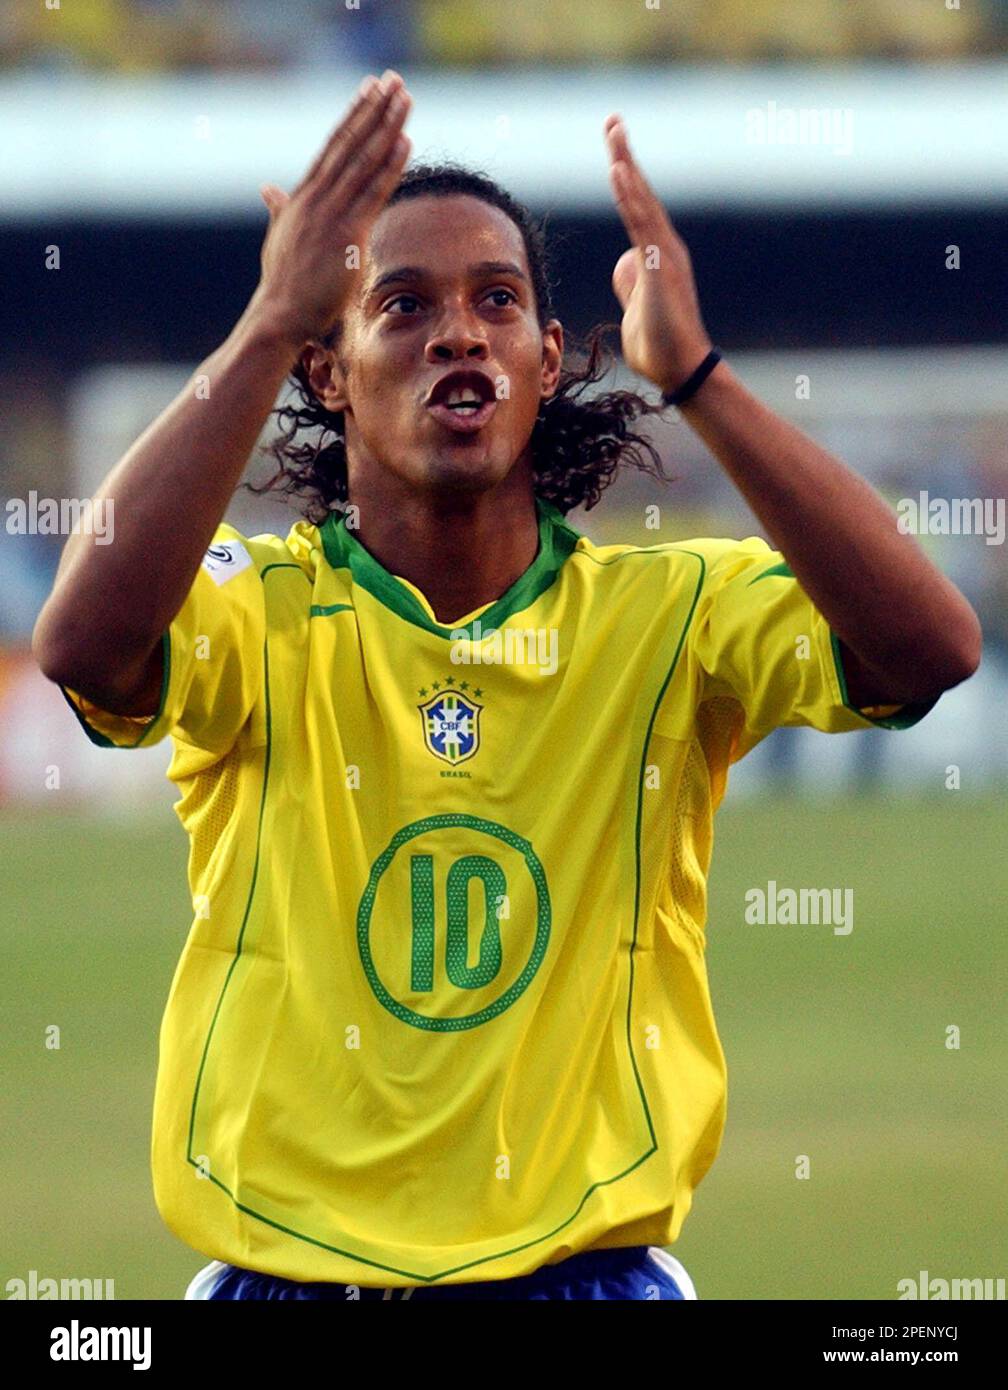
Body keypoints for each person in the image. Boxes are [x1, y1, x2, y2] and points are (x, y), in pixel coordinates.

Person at [33, 70, 981, 1301]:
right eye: (404, 304)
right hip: (286, 1272)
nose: (458, 332)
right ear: (330, 372)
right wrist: (270, 320)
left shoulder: (673, 615)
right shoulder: (258, 611)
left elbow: (935, 646)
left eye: (497, 300)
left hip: (579, 1274)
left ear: (544, 362)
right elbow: (82, 648)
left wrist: (697, 376)